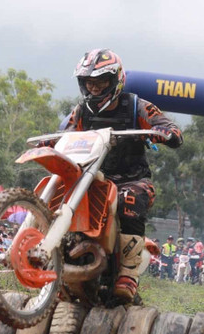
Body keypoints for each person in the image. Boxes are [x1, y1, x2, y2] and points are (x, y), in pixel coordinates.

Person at [60, 49, 183, 300]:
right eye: (89, 83)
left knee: (129, 199)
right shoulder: (81, 110)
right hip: (92, 180)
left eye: (101, 81)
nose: (94, 88)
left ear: (115, 81)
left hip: (132, 180)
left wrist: (165, 133)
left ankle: (128, 273)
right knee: (63, 195)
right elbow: (64, 132)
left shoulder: (137, 105)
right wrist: (48, 143)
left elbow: (170, 128)